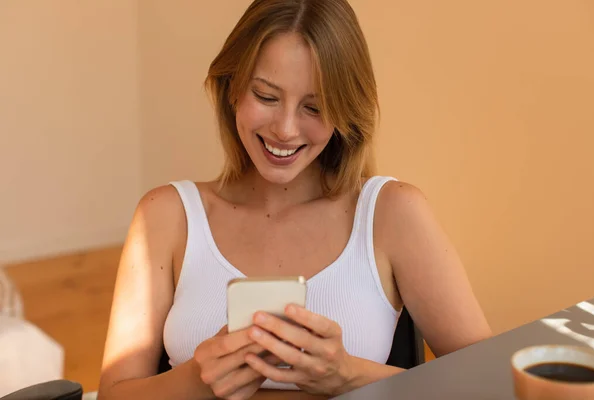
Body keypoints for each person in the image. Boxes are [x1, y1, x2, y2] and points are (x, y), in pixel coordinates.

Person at [97, 0, 492, 399]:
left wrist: (348, 376)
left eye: (314, 107)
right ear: (232, 88)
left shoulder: (392, 212)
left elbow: (486, 386)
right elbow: (114, 394)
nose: (285, 129)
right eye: (266, 97)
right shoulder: (165, 215)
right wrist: (197, 379)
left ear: (344, 111)